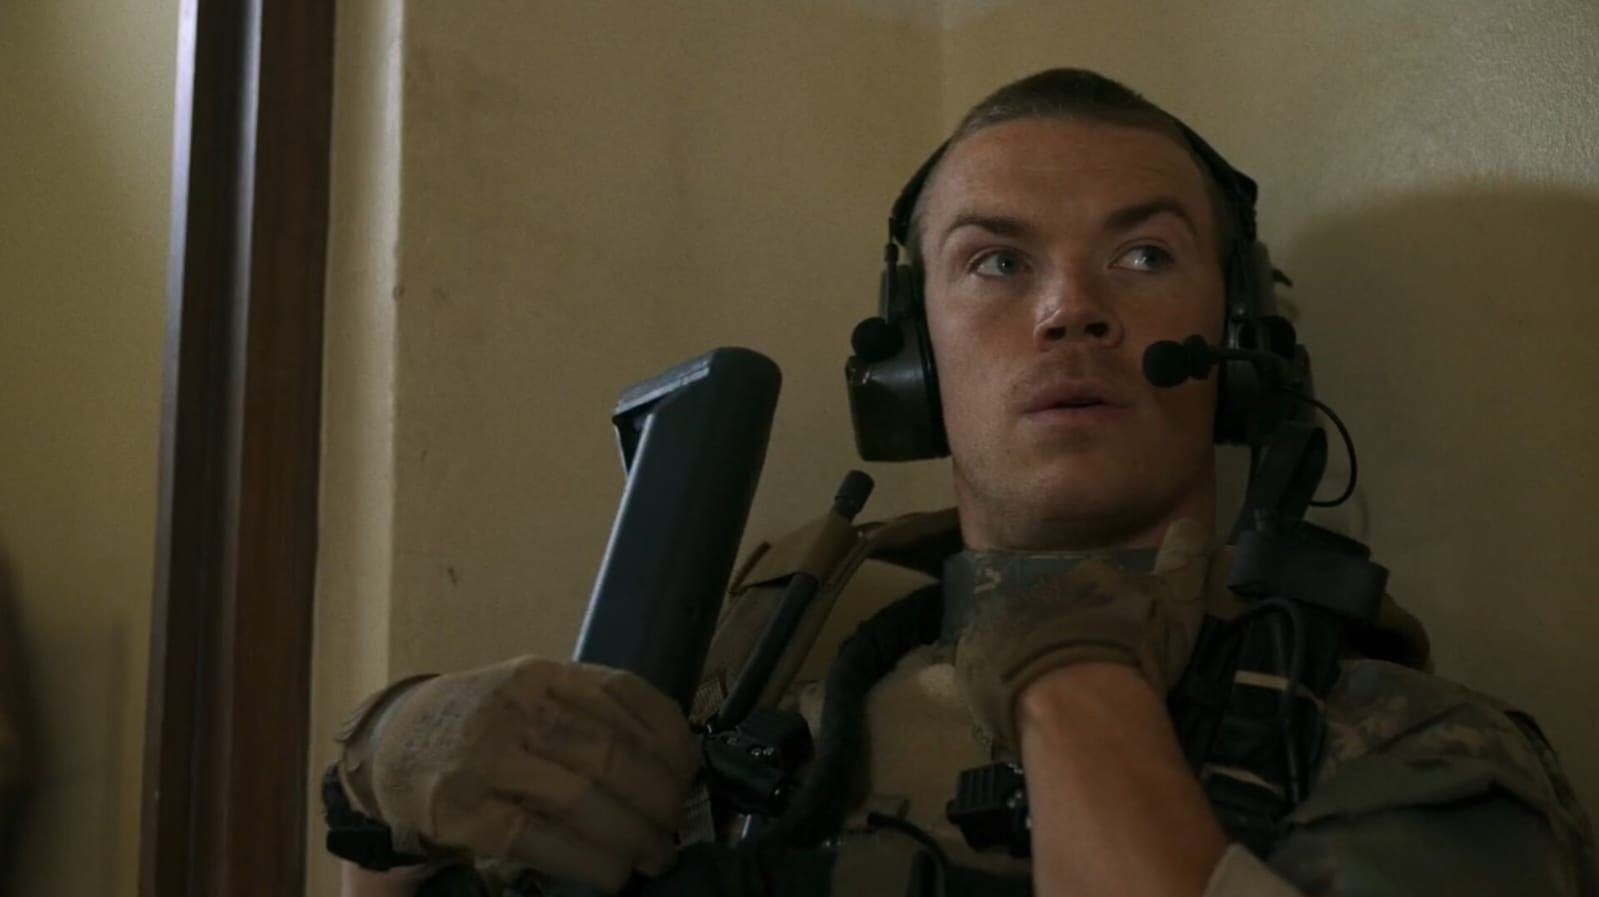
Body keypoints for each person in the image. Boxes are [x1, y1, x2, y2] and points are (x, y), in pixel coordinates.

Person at [324, 69, 1596, 897]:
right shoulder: (753, 666)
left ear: (1240, 344)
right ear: (912, 362)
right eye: (997, 264)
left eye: (1146, 255)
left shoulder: (1398, 743)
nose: (1071, 312)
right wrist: (391, 762)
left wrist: (1069, 682)